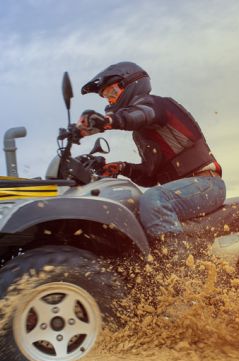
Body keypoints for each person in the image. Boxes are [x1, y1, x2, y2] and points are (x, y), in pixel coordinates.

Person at [76, 61, 226, 257]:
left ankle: (177, 267)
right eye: (106, 97)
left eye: (112, 93)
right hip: (181, 190)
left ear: (132, 84)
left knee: (154, 199)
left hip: (207, 183)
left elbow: (141, 114)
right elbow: (149, 176)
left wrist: (108, 121)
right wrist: (120, 167)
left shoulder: (158, 105)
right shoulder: (142, 134)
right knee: (131, 205)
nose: (110, 101)